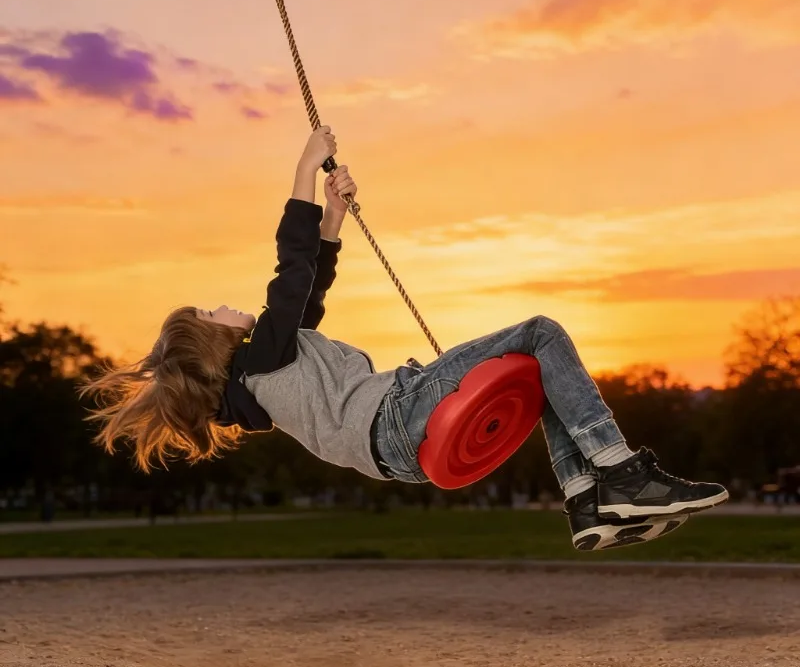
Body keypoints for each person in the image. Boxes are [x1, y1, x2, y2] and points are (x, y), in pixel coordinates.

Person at [82, 126, 729, 551]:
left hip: (399, 454)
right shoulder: (257, 362)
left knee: (534, 374)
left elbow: (308, 291)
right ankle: (620, 474)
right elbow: (293, 268)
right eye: (212, 308)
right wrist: (303, 172)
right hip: (401, 412)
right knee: (540, 332)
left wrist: (333, 214)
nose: (226, 303)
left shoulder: (268, 375)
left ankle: (589, 504)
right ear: (213, 339)